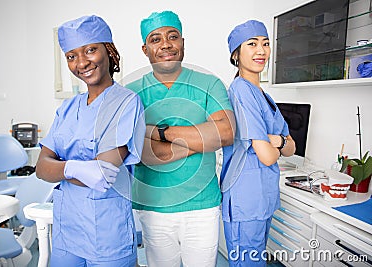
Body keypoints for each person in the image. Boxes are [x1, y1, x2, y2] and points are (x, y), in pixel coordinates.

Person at [126, 10, 235, 267]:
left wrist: (159, 133)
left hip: (202, 206)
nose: (165, 44)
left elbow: (226, 133)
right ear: (145, 49)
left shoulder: (209, 84)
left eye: (172, 36)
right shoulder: (131, 94)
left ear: (182, 42)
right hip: (154, 207)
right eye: (156, 39)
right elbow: (142, 154)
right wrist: (201, 138)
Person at [35, 15, 145, 267]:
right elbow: (41, 168)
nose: (81, 62)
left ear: (109, 50)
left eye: (90, 50)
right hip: (67, 229)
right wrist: (75, 168)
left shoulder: (126, 103)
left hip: (106, 231)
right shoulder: (67, 107)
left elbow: (101, 173)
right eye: (71, 56)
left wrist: (60, 166)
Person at [220, 20, 296, 266]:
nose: (261, 50)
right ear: (236, 54)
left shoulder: (264, 95)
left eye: (265, 44)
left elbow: (290, 147)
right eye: (252, 44)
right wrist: (279, 143)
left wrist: (277, 140)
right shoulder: (241, 90)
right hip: (246, 197)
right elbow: (268, 156)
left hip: (262, 197)